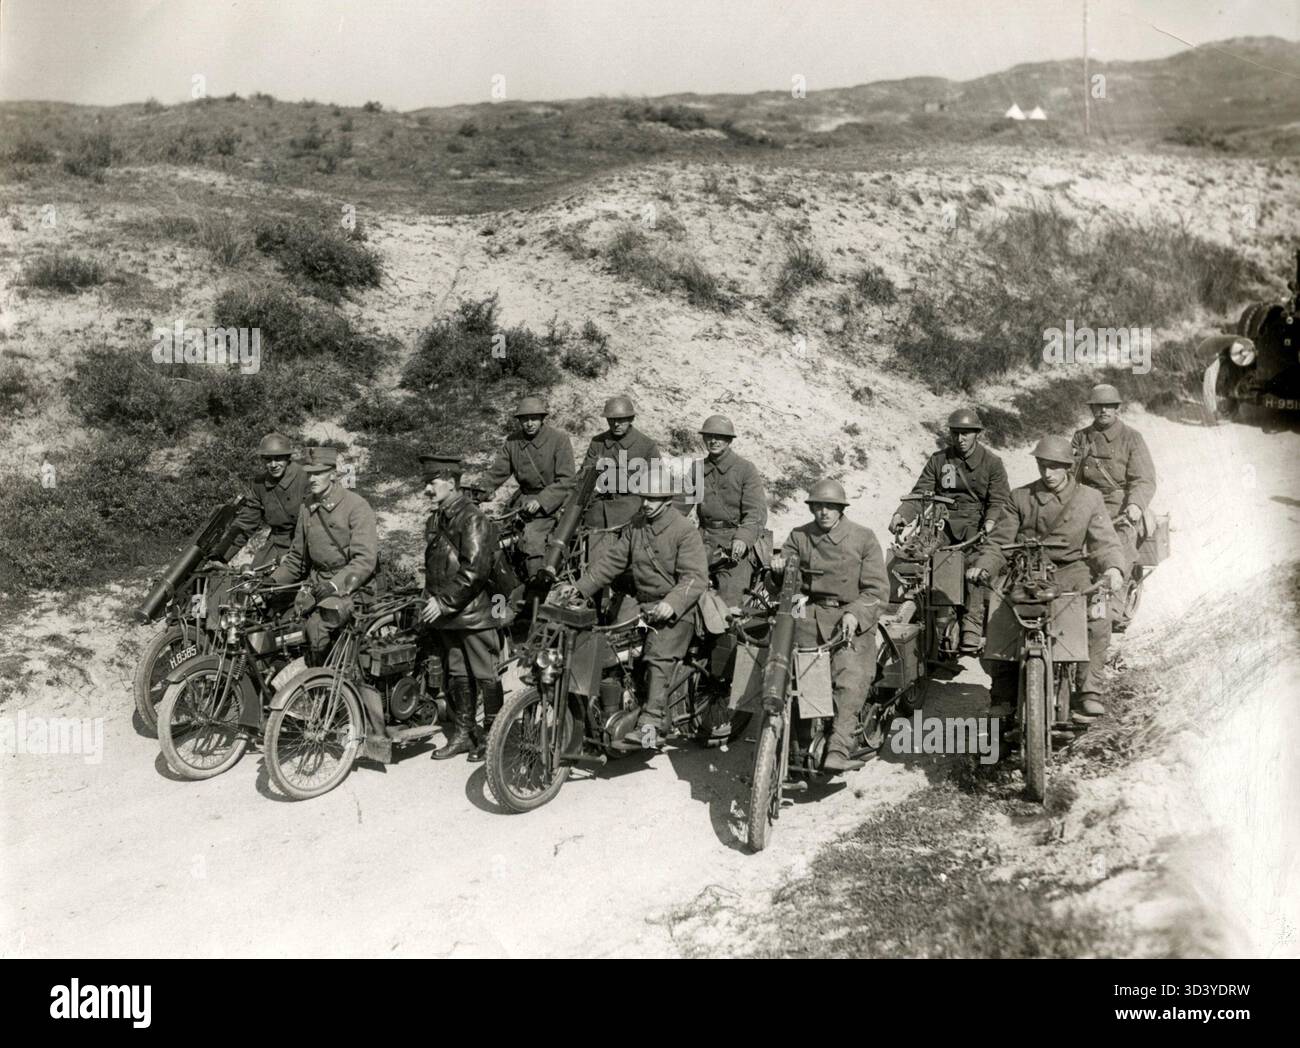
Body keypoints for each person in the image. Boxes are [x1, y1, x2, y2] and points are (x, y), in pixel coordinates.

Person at [968, 436, 1126, 722]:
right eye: (1043, 465)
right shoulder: (1020, 497)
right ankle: (1003, 694)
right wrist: (984, 566)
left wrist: (1113, 568)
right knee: (1000, 613)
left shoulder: (1089, 498)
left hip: (1072, 570)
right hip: (1027, 569)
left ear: (1068, 466)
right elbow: (999, 542)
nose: (1048, 473)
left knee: (1098, 617)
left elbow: (1105, 542)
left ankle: (1089, 691)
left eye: (1055, 466)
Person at [571, 471, 708, 745]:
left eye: (652, 498)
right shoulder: (637, 525)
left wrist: (671, 604)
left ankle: (653, 723)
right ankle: (610, 709)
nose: (645, 503)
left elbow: (695, 578)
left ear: (667, 500)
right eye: (643, 497)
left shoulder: (684, 530)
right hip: (644, 604)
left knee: (657, 656)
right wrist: (580, 588)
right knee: (610, 647)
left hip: (678, 609)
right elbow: (612, 561)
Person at [772, 479, 889, 773]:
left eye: (830, 506)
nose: (824, 512)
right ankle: (798, 748)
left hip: (849, 617)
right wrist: (778, 572)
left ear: (841, 509)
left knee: (850, 677)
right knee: (796, 675)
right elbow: (787, 586)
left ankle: (838, 747)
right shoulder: (799, 536)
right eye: (818, 506)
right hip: (808, 613)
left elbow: (876, 591)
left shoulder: (863, 538)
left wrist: (855, 614)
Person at [889, 408, 1009, 655]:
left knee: (975, 567)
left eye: (966, 433)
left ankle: (971, 625)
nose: (960, 439)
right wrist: (902, 515)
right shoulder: (939, 460)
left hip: (977, 525)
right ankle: (925, 611)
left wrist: (990, 522)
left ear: (977, 434)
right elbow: (921, 493)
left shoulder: (992, 463)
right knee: (920, 556)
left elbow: (999, 500)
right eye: (955, 433)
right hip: (943, 523)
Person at [419, 453, 504, 763]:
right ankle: (464, 734)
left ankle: (494, 737)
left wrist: (442, 602)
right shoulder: (438, 518)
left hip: (473, 614)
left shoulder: (472, 518)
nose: (427, 489)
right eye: (426, 483)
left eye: (433, 483)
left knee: (485, 674)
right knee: (458, 674)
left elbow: (475, 571)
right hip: (449, 614)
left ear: (452, 483)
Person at [271, 446, 378, 665]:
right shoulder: (307, 506)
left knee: (317, 626)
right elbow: (297, 559)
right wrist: (272, 582)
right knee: (282, 626)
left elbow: (364, 560)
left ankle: (325, 678)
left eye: (318, 473)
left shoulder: (355, 506)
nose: (312, 479)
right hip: (317, 585)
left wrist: (334, 585)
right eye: (309, 473)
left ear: (334, 474)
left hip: (353, 587)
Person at [476, 395, 576, 578]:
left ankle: (536, 586)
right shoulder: (513, 441)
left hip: (552, 503)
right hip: (522, 501)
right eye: (524, 419)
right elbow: (497, 472)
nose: (529, 424)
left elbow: (566, 480)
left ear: (542, 418)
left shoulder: (558, 439)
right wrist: (478, 492)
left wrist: (541, 501)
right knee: (495, 537)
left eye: (534, 418)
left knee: (533, 540)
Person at [1071, 383, 1157, 576]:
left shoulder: (1132, 437)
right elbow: (1071, 476)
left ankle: (1118, 588)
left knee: (1119, 548)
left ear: (1117, 407)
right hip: (1086, 502)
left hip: (1118, 504)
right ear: (1091, 408)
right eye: (1098, 406)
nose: (1103, 410)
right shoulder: (1081, 437)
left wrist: (1135, 505)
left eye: (1109, 405)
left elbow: (1144, 479)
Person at [694, 414, 768, 608]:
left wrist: (742, 539)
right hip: (703, 541)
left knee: (730, 599)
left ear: (729, 440)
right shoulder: (696, 469)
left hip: (733, 545)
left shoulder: (745, 470)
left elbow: (756, 513)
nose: (713, 441)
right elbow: (680, 505)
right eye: (709, 436)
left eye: (719, 437)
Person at [579, 395, 662, 567]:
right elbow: (584, 477)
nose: (616, 424)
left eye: (621, 420)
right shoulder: (598, 442)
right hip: (600, 511)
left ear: (631, 419)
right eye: (611, 420)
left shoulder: (646, 445)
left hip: (631, 511)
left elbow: (657, 483)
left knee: (630, 566)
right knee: (597, 567)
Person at [216, 432, 310, 567]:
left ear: (288, 458)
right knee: (256, 576)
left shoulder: (305, 476)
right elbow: (247, 523)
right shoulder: (259, 484)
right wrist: (221, 555)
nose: (273, 464)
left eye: (278, 459)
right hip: (278, 542)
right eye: (268, 459)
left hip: (308, 539)